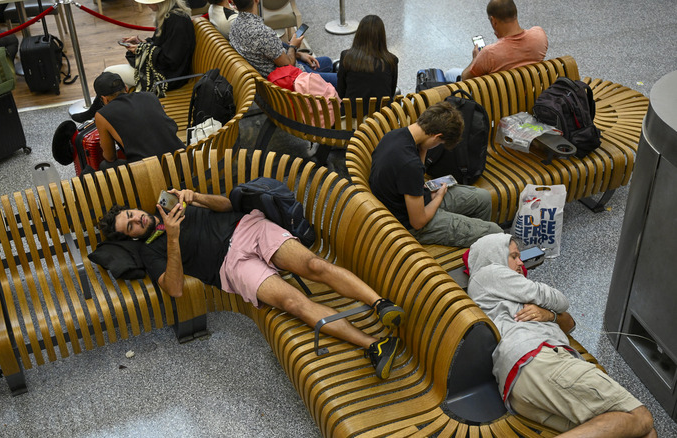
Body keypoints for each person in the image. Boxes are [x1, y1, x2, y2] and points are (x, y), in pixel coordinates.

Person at [97, 190, 406, 379]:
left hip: (247, 228)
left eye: (132, 215)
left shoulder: (172, 204)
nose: (138, 220)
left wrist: (196, 197)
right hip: (230, 267)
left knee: (315, 265)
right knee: (293, 303)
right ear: (133, 237)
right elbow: (174, 289)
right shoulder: (151, 251)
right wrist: (173, 238)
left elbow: (226, 204)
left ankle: (381, 304)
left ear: (134, 208)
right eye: (131, 227)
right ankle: (375, 345)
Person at [467, 234, 657, 437]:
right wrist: (549, 306)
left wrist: (548, 314)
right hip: (539, 360)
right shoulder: (489, 273)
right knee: (640, 416)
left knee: (640, 432)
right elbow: (561, 300)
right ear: (493, 255)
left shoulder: (504, 293)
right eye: (513, 256)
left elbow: (568, 323)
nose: (520, 262)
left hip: (523, 384)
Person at [369, 102, 502, 247]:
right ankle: (477, 241)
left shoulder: (395, 135)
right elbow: (418, 222)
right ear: (437, 136)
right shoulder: (409, 164)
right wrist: (438, 197)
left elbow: (415, 178)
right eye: (440, 143)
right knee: (494, 232)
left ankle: (472, 244)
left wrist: (424, 148)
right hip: (408, 225)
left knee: (484, 198)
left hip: (412, 202)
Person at [228, 0, 336, 88]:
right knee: (343, 80)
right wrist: (293, 46)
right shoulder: (262, 32)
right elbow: (289, 65)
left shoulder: (234, 26)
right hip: (289, 81)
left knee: (326, 62)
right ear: (256, 0)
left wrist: (300, 55)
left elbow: (272, 52)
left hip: (268, 82)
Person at [92, 72, 184, 169]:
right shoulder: (150, 96)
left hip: (155, 173)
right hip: (184, 160)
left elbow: (110, 157)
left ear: (104, 99)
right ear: (126, 88)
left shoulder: (102, 115)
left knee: (105, 166)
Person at [105, 0, 195, 92]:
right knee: (118, 87)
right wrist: (141, 42)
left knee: (109, 74)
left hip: (168, 78)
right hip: (166, 71)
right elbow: (162, 44)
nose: (147, 4)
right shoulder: (171, 15)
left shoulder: (177, 21)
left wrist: (142, 49)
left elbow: (171, 59)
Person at [447, 0, 547, 82]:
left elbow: (466, 79)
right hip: (531, 90)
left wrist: (475, 60)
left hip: (501, 99)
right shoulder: (539, 35)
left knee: (450, 73)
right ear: (515, 14)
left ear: (493, 20)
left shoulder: (489, 53)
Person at [337, 14, 398, 116]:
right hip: (380, 123)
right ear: (382, 37)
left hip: (349, 121)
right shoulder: (391, 60)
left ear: (359, 34)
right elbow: (390, 93)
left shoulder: (346, 57)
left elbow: (340, 93)